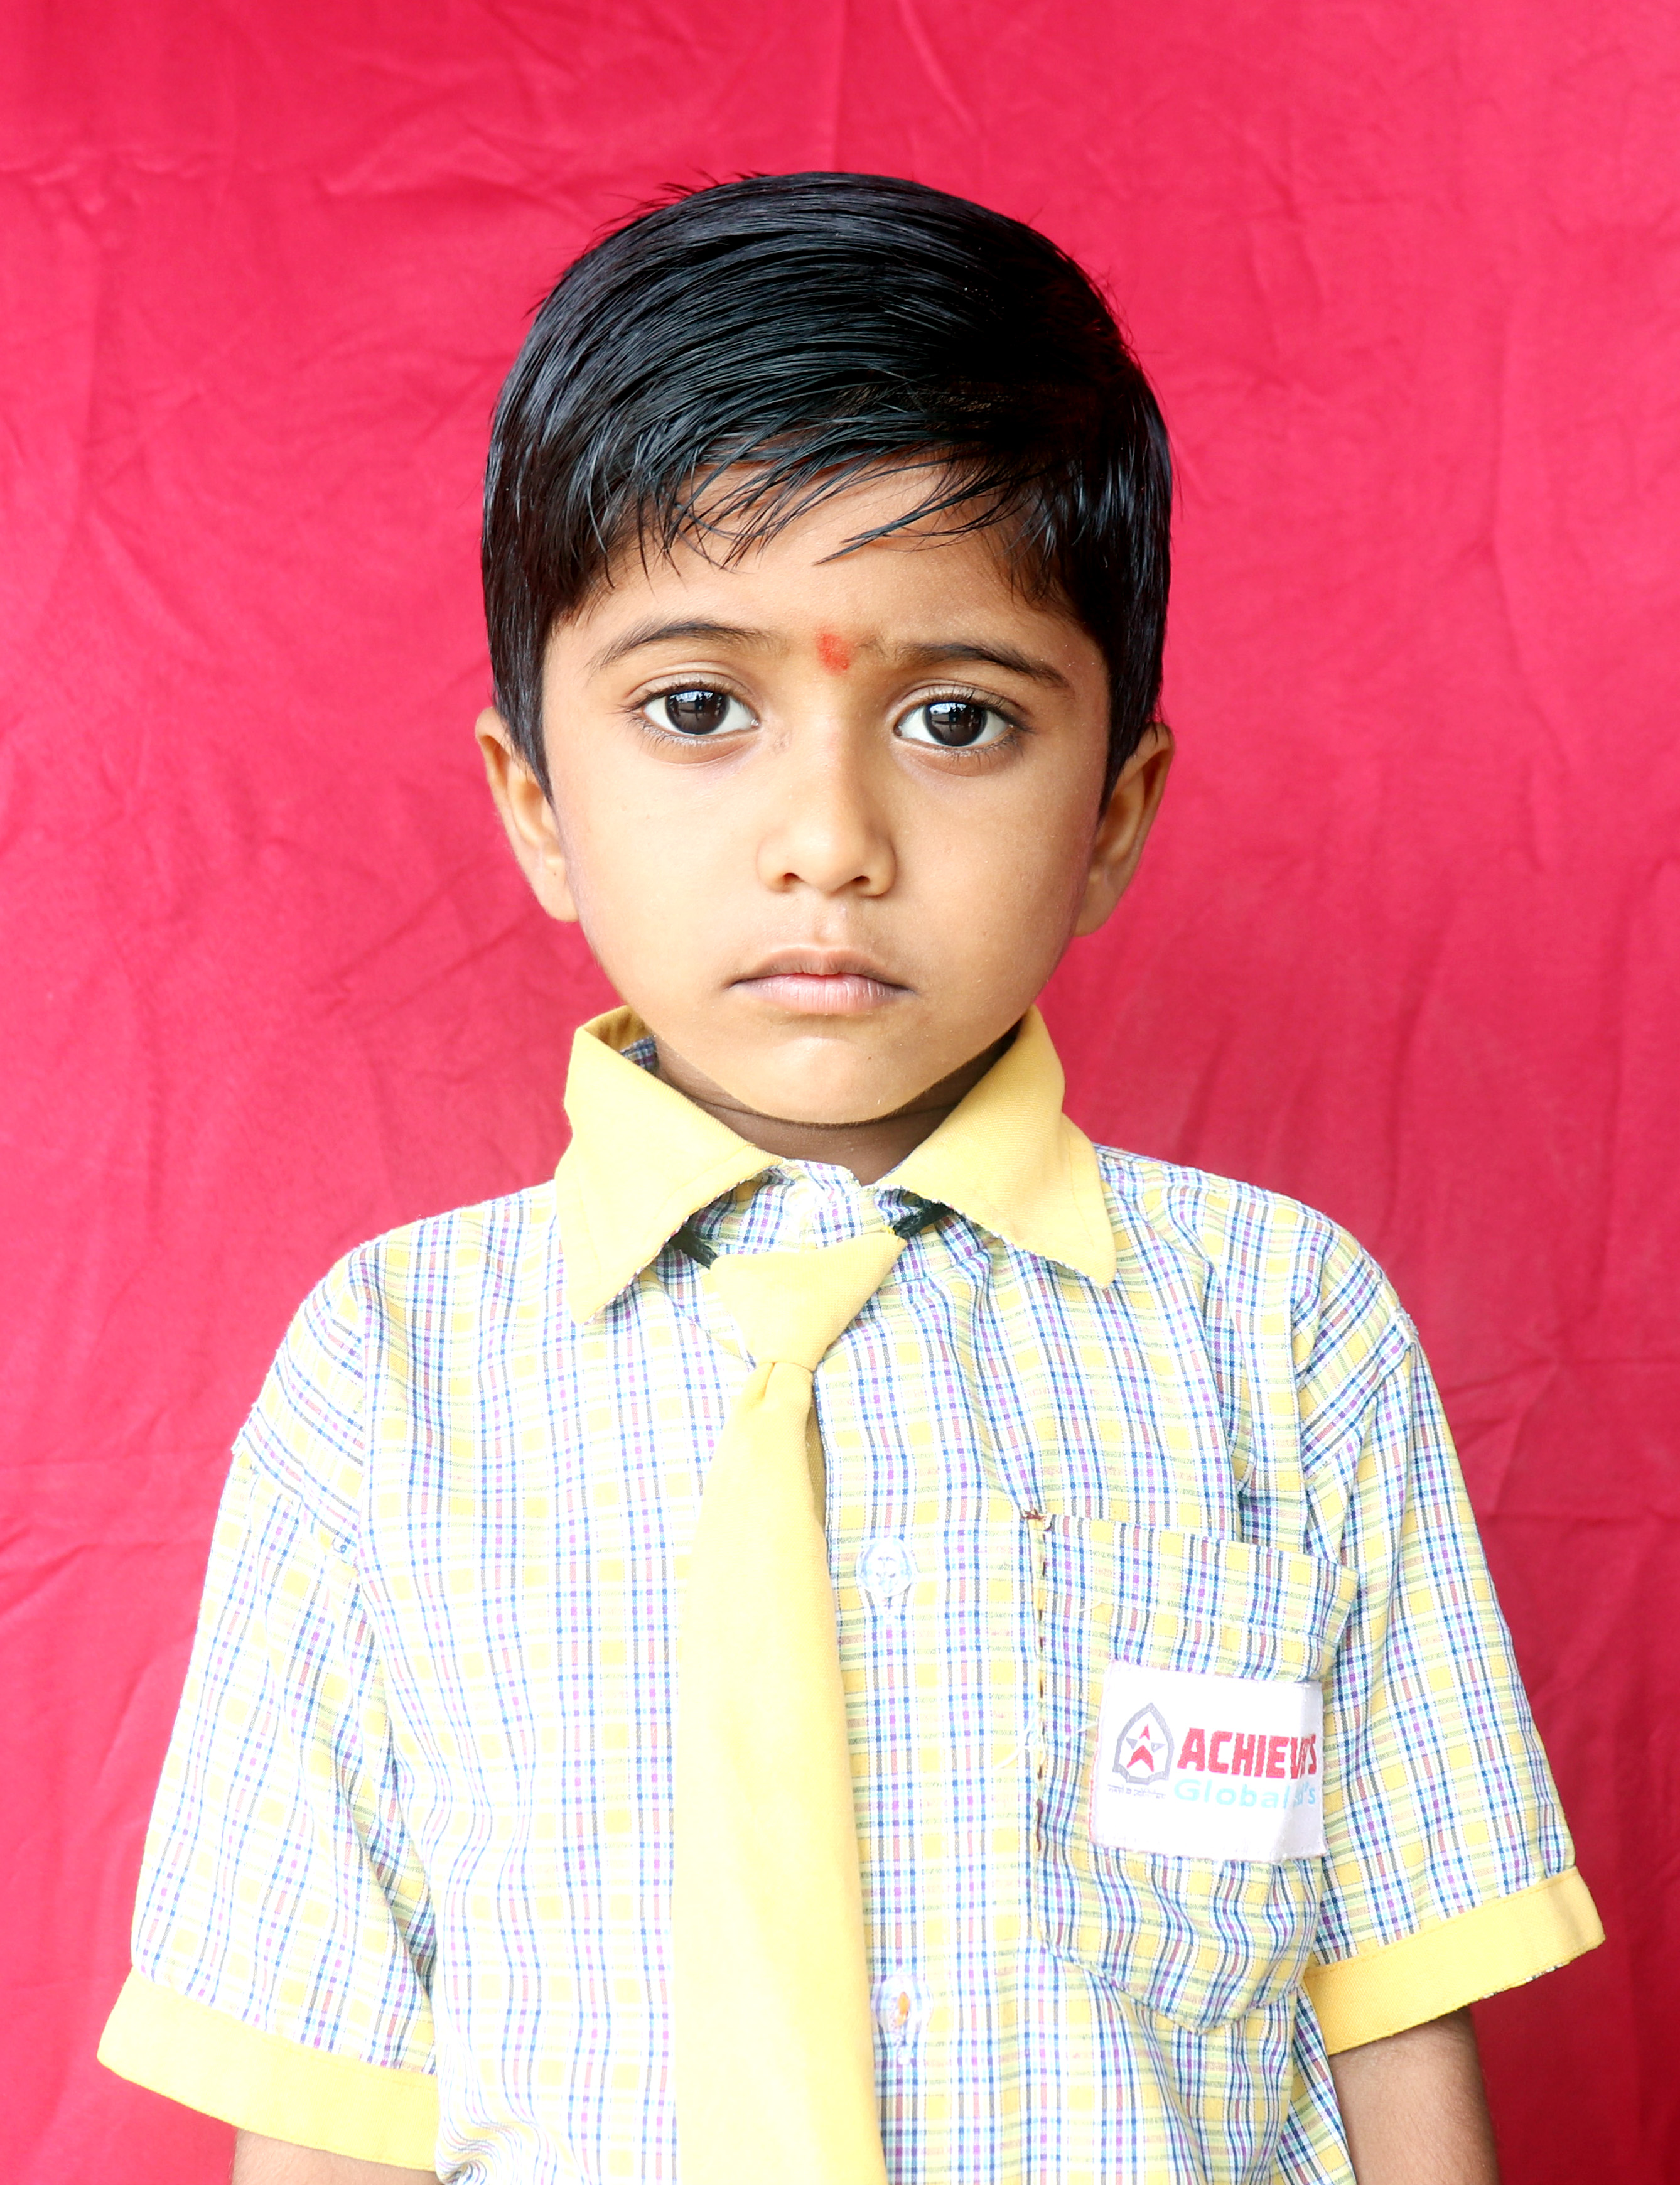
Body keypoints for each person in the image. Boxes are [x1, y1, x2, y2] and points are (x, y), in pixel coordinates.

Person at [98, 172, 1601, 2184]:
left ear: (1112, 812)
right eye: (696, 709)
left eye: (956, 719)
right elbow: (329, 2089)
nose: (829, 836)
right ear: (534, 804)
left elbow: (1393, 2004)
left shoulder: (1280, 1333)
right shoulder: (388, 1375)